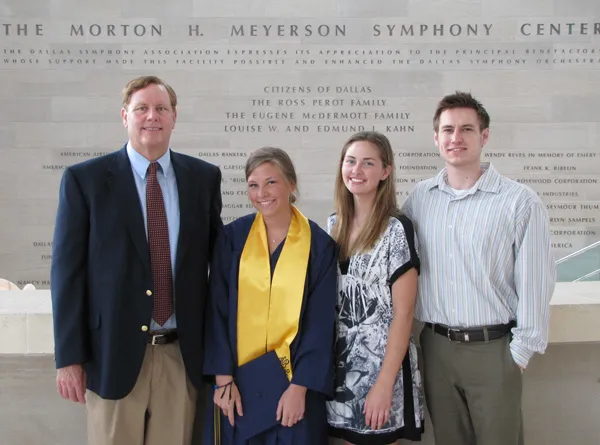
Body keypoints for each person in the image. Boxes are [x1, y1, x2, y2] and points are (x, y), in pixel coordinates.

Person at [50, 75, 223, 445]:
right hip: (111, 354)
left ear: (174, 117)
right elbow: (68, 274)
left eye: (161, 108)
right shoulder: (86, 180)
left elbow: (219, 265)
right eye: (142, 108)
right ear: (124, 115)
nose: (152, 116)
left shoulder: (203, 179)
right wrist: (68, 358)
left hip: (182, 355)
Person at [402, 91, 556, 445]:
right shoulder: (419, 200)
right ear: (436, 138)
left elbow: (536, 283)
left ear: (484, 136)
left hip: (494, 350)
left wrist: (516, 356)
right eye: (448, 130)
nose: (456, 138)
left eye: (466, 129)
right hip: (436, 348)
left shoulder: (520, 202)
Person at [203, 147, 337, 445]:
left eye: (271, 182)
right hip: (238, 387)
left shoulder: (319, 246)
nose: (262, 193)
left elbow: (320, 323)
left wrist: (301, 386)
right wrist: (223, 380)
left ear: (291, 184)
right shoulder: (232, 239)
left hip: (293, 387)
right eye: (253, 185)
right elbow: (217, 310)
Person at [326, 131, 424, 445]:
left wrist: (384, 384)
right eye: (351, 161)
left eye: (368, 163)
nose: (356, 170)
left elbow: (404, 315)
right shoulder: (333, 225)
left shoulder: (397, 229)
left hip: (381, 372)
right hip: (341, 373)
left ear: (385, 172)